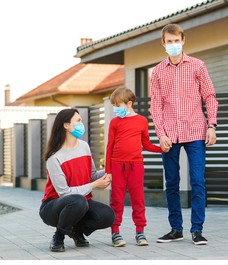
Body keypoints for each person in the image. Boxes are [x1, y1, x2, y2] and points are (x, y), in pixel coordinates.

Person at [150, 23, 218, 245]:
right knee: (171, 183)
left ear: (183, 40)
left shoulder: (198, 66)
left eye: (176, 41)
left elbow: (209, 96)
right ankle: (175, 229)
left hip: (196, 130)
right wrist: (161, 134)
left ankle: (197, 230)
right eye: (169, 42)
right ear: (163, 44)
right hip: (170, 134)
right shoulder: (158, 72)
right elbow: (155, 106)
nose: (173, 45)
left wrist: (212, 125)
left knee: (198, 181)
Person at [39, 108, 115, 252]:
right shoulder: (54, 158)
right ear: (66, 125)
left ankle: (76, 229)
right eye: (78, 121)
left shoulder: (84, 146)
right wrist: (94, 185)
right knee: (78, 200)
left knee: (108, 216)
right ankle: (59, 236)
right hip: (53, 206)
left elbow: (92, 176)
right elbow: (65, 193)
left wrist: (111, 169)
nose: (82, 124)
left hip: (81, 203)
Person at [105, 87, 166, 247]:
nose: (116, 109)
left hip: (136, 166)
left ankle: (140, 232)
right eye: (114, 106)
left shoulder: (142, 121)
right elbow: (109, 147)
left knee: (138, 199)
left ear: (129, 103)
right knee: (117, 200)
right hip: (117, 165)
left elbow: (145, 143)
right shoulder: (115, 122)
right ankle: (115, 232)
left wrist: (161, 149)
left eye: (118, 105)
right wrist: (108, 172)